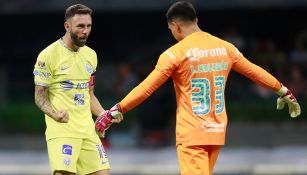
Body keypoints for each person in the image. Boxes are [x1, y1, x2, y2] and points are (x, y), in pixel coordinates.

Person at [95, 1, 301, 175]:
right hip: (217, 132)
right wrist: (283, 91)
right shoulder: (226, 48)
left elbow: (147, 88)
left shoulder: (174, 54)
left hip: (192, 134)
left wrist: (116, 110)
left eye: (171, 30)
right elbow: (254, 71)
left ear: (175, 26)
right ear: (196, 21)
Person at [33, 4, 114, 175]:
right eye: (80, 26)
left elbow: (89, 94)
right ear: (67, 26)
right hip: (63, 132)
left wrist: (104, 114)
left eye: (88, 26)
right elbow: (39, 98)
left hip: (88, 131)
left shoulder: (91, 55)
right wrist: (55, 114)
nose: (85, 31)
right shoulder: (48, 55)